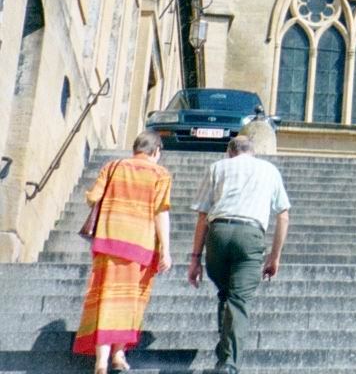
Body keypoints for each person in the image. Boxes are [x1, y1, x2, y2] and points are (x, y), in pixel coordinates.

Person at [187, 135, 291, 374]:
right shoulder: (269, 170)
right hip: (251, 235)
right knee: (239, 300)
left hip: (218, 232)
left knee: (226, 294)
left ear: (229, 152)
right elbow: (283, 215)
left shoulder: (218, 167)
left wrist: (195, 259)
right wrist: (275, 256)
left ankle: (224, 353)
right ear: (252, 151)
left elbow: (202, 215)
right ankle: (229, 364)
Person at [73, 131, 173, 374]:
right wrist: (166, 250)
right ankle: (118, 355)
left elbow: (92, 197)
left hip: (108, 241)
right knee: (130, 300)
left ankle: (100, 361)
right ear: (156, 151)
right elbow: (161, 212)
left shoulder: (112, 166)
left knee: (105, 297)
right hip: (140, 244)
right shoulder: (160, 174)